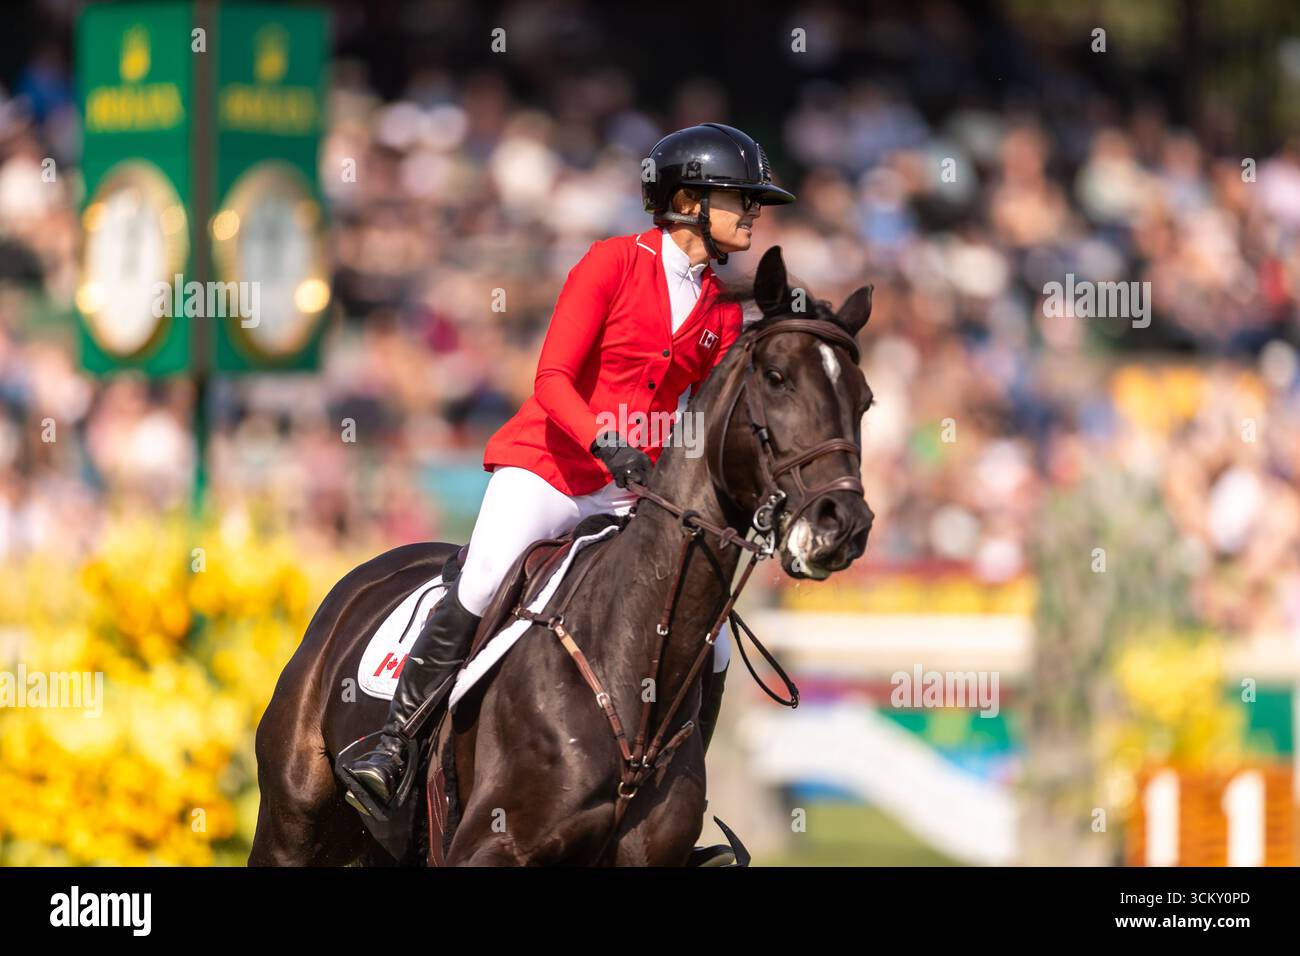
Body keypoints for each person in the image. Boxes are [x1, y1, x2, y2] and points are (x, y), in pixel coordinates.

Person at [340, 122, 795, 813]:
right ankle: (393, 745)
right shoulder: (611, 264)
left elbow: (700, 418)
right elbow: (551, 379)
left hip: (633, 495)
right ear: (689, 200)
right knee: (486, 576)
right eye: (742, 198)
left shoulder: (720, 312)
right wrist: (603, 441)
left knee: (718, 640)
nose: (754, 212)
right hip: (550, 468)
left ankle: (675, 806)